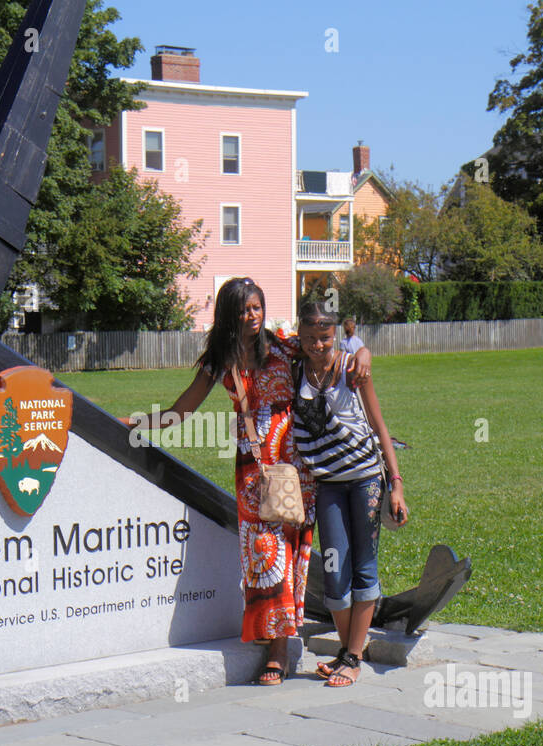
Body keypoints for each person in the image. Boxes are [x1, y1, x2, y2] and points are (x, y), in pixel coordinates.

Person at [123, 277, 370, 685]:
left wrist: (362, 350)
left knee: (291, 557)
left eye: (256, 307)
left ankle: (281, 650)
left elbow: (330, 344)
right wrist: (132, 423)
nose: (251, 316)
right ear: (228, 315)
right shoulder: (219, 360)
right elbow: (180, 411)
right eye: (243, 310)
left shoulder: (285, 347)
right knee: (263, 556)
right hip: (254, 469)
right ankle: (274, 642)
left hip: (296, 466)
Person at [293, 302, 407, 687]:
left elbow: (379, 424)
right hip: (327, 485)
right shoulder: (295, 370)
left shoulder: (352, 370)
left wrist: (396, 484)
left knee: (363, 565)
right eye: (308, 338)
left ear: (336, 336)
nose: (316, 345)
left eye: (324, 337)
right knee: (333, 568)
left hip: (365, 480)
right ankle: (348, 652)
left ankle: (353, 656)